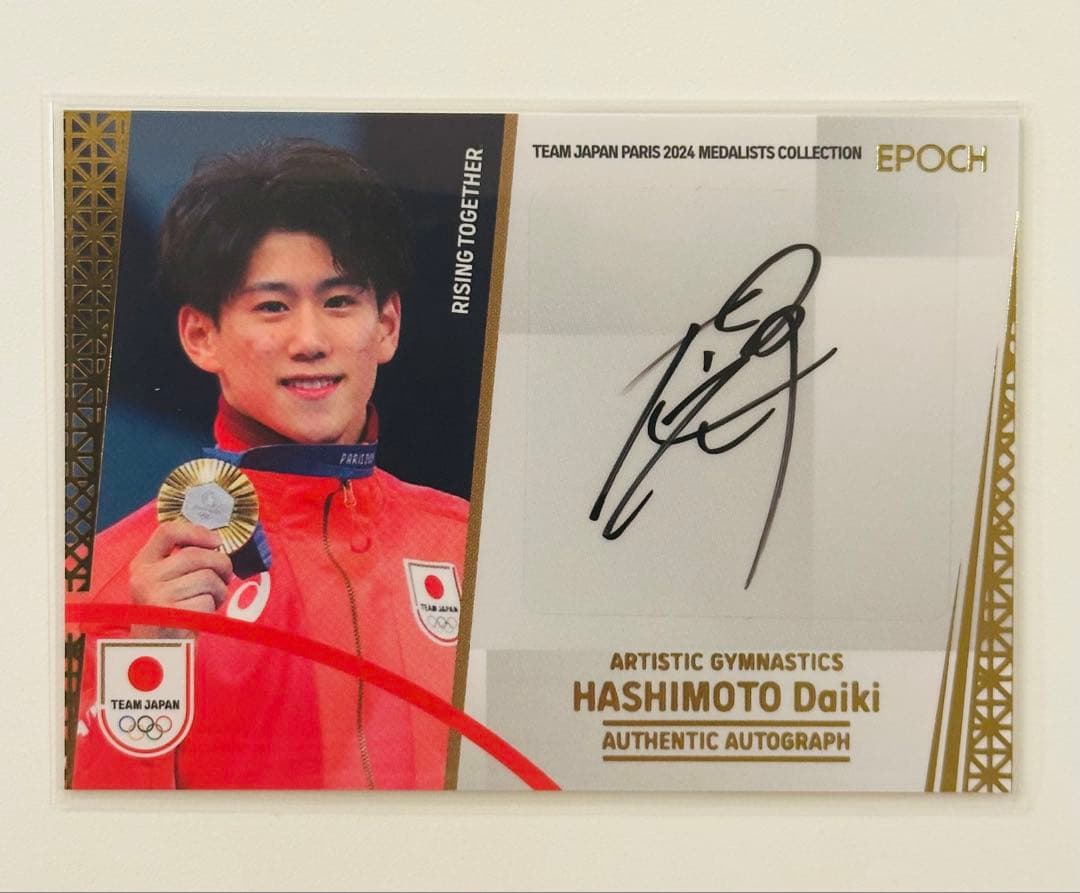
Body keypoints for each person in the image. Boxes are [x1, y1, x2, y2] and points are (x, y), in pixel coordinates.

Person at [68, 140, 468, 789]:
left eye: (340, 302)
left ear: (387, 325)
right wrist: (148, 660)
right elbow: (65, 834)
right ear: (201, 336)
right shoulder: (96, 587)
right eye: (272, 306)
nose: (309, 341)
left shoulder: (467, 547)